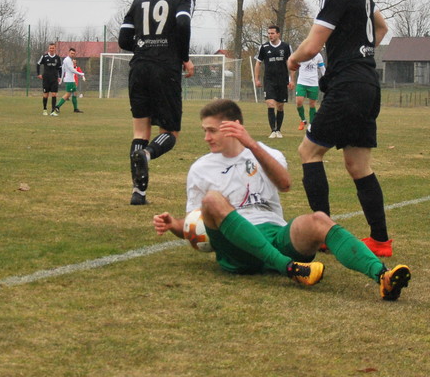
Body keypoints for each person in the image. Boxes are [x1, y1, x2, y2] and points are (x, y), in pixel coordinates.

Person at [152, 99, 410, 299]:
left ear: (235, 127)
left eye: (212, 131)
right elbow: (195, 223)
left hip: (275, 236)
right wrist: (173, 224)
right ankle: (290, 269)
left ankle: (382, 275)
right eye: (204, 131)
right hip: (235, 250)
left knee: (319, 220)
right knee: (211, 200)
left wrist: (252, 146)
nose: (206, 138)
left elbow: (285, 184)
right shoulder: (200, 168)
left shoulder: (266, 152)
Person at [287, 0, 393, 257]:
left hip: (347, 85)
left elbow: (312, 44)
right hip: (367, 83)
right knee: (358, 165)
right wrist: (362, 52)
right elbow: (382, 26)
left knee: (309, 152)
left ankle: (324, 234)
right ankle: (380, 241)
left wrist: (292, 60)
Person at [118, 0, 194, 206]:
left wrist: (143, 47)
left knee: (140, 131)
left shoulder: (138, 1)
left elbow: (123, 39)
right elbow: (183, 23)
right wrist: (183, 57)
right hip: (165, 70)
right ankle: (148, 153)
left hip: (139, 68)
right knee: (170, 132)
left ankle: (138, 193)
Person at [253, 25, 293, 138]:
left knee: (280, 106)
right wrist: (257, 79)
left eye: (272, 33)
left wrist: (292, 79)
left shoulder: (286, 47)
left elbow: (291, 64)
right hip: (269, 80)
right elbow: (258, 63)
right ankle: (273, 130)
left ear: (278, 34)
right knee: (270, 103)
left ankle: (278, 130)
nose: (270, 35)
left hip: (282, 80)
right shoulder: (263, 47)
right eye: (269, 33)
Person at [295, 52, 325, 131]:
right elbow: (294, 65)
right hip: (301, 82)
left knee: (312, 104)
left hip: (313, 83)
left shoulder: (318, 56)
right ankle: (303, 120)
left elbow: (322, 68)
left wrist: (326, 78)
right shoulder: (302, 53)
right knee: (299, 102)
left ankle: (311, 125)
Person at [52, 47, 85, 115]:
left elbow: (63, 69)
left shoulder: (68, 60)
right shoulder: (68, 60)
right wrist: (80, 73)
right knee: (68, 94)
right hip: (69, 80)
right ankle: (57, 106)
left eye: (73, 53)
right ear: (69, 53)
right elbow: (71, 69)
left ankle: (75, 109)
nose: (72, 54)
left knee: (74, 93)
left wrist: (61, 78)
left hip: (70, 80)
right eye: (71, 53)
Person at [36, 42, 62, 115]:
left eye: (53, 48)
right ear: (48, 48)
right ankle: (44, 109)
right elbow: (38, 64)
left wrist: (60, 77)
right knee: (46, 94)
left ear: (55, 48)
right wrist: (38, 74)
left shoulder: (57, 58)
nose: (51, 49)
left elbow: (60, 68)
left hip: (54, 79)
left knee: (54, 94)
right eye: (50, 48)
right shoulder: (44, 57)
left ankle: (53, 111)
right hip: (46, 79)